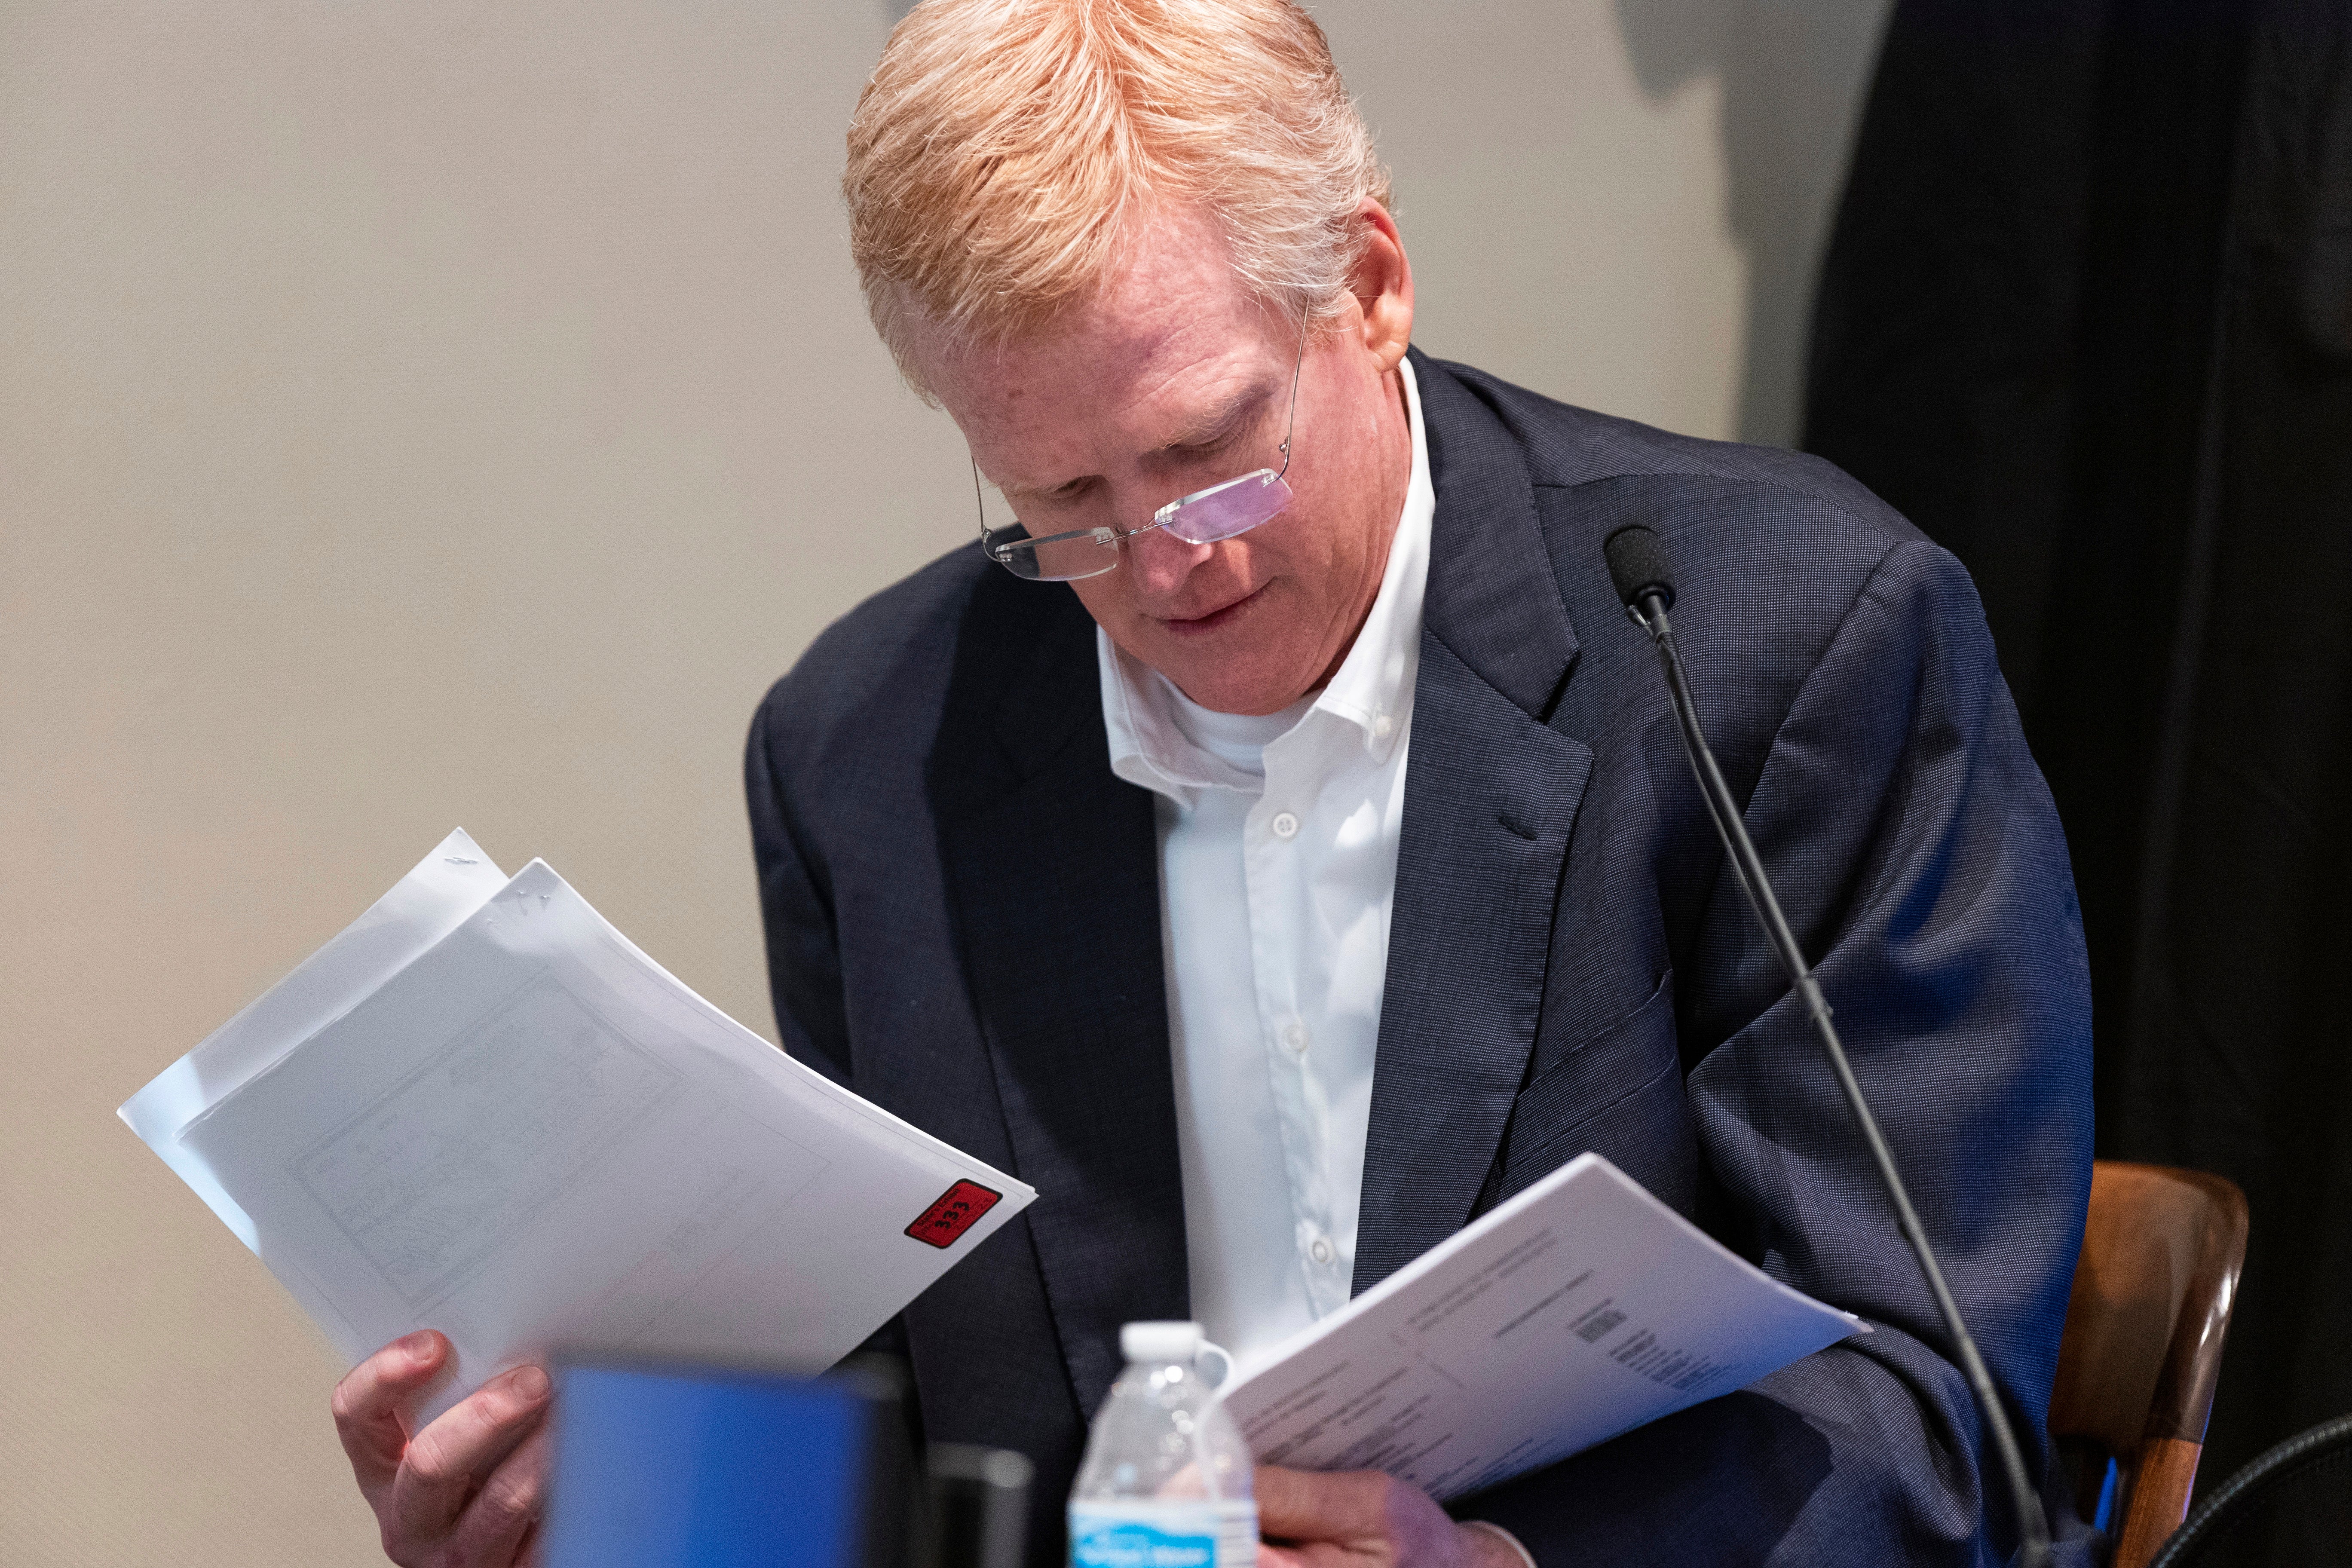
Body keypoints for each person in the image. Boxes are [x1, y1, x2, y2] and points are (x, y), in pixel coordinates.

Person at [328, 1, 2097, 1563]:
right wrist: (603, 1512)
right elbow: (886, 1460)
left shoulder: (1773, 646)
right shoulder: (868, 758)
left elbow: (1934, 1404)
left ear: (1375, 285)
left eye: (1209, 458)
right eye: (1064, 509)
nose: (1169, 567)